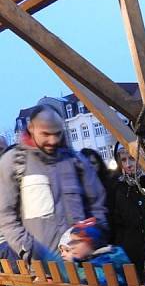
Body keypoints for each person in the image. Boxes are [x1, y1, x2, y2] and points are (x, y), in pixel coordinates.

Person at [0, 105, 107, 263]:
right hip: (42, 271)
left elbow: (98, 206)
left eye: (57, 133)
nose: (53, 140)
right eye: (46, 134)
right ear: (31, 128)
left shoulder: (76, 161)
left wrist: (92, 240)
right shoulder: (14, 162)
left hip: (85, 268)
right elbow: (6, 217)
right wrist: (31, 252)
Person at [106, 144, 145, 278]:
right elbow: (115, 224)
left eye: (132, 158)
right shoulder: (117, 188)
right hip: (131, 256)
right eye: (124, 160)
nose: (128, 165)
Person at [58, 217, 131, 286]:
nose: (72, 246)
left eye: (77, 242)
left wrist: (84, 284)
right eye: (71, 242)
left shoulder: (107, 261)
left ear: (93, 243)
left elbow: (113, 283)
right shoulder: (81, 263)